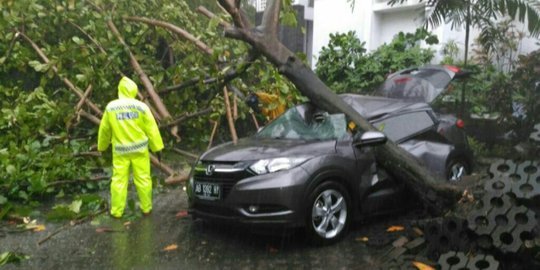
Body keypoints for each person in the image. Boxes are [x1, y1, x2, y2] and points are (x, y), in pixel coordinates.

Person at [97, 77, 164, 218]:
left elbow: (104, 130)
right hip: (140, 150)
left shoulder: (111, 107)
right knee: (143, 179)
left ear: (120, 90)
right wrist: (157, 148)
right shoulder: (141, 107)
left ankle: (116, 212)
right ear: (134, 90)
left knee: (119, 181)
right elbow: (152, 129)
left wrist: (102, 147)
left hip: (120, 151)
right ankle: (146, 209)